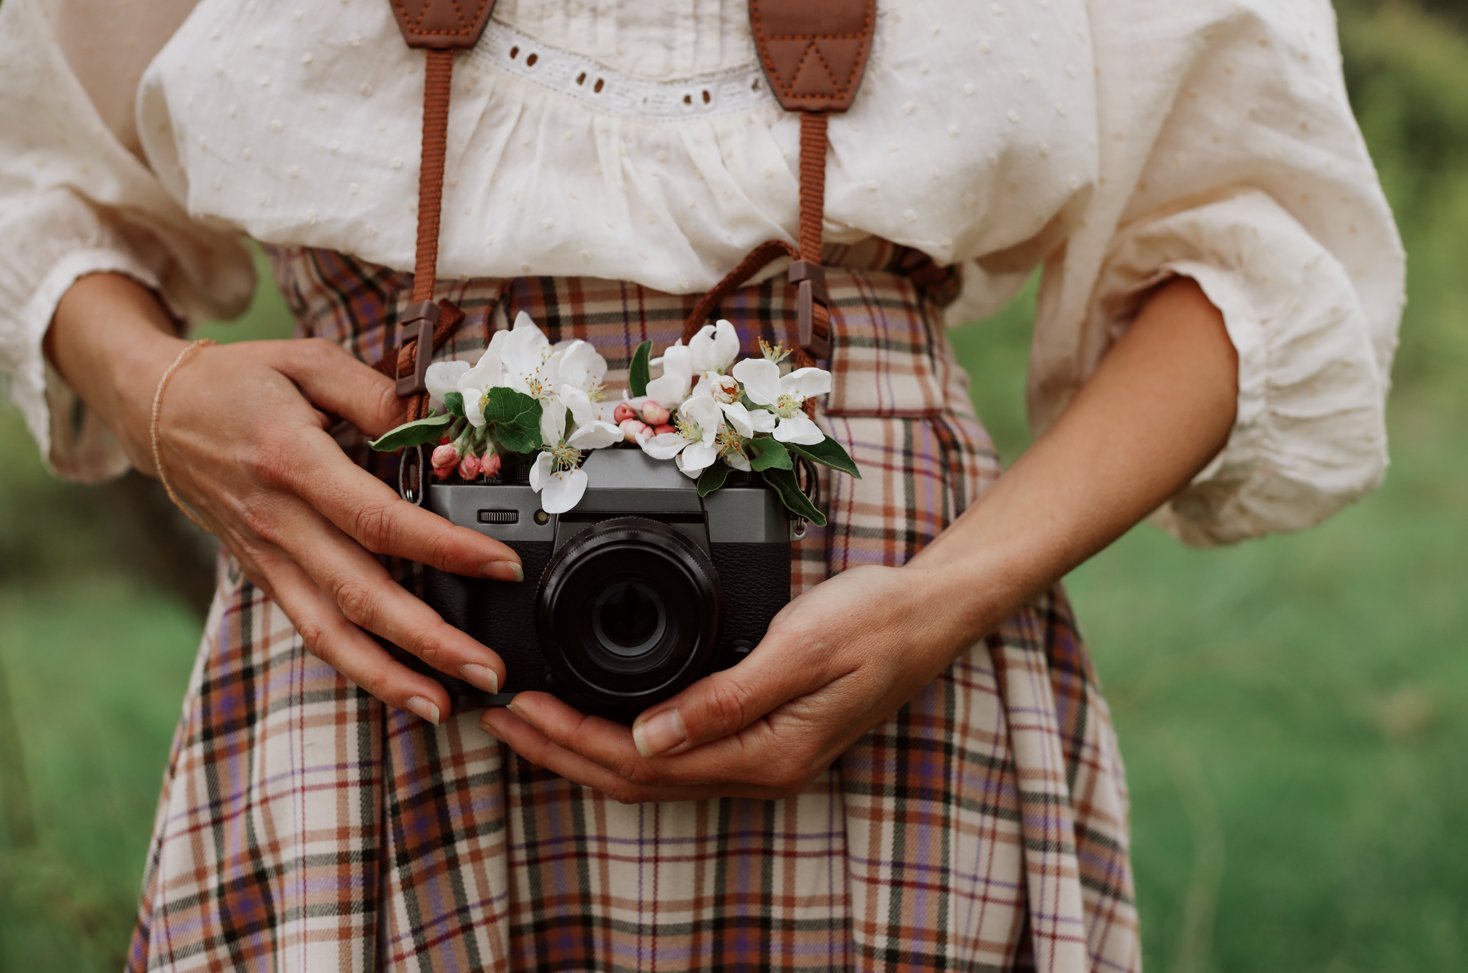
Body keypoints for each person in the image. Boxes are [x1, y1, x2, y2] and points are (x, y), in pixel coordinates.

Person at [0, 1, 1403, 970]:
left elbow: (1251, 237)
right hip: (379, 597)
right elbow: (36, 154)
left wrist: (949, 593)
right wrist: (165, 395)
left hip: (883, 649)